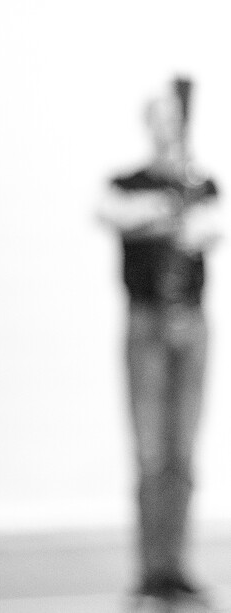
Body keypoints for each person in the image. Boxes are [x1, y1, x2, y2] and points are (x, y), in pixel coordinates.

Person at [96, 78, 222, 613]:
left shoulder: (203, 182)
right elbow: (111, 214)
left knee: (184, 457)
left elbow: (206, 232)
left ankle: (176, 567)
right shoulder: (126, 182)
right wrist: (161, 210)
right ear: (150, 123)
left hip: (190, 326)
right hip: (146, 326)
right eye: (162, 118)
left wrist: (182, 209)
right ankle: (149, 572)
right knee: (150, 457)